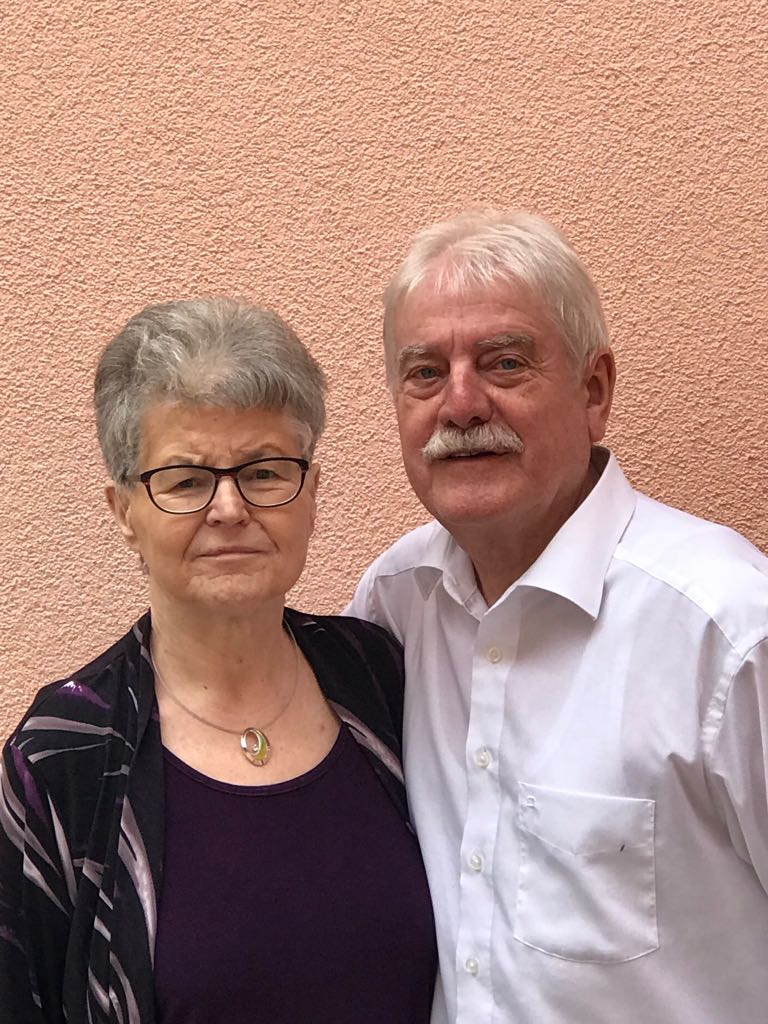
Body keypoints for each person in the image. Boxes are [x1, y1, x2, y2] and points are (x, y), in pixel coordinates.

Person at [346, 210, 768, 1023]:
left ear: (594, 390)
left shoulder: (727, 631)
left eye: (504, 363)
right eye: (425, 373)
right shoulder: (395, 605)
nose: (460, 404)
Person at [0, 297, 437, 1024]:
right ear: (124, 511)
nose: (230, 509)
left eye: (264, 472)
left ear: (312, 494)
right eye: (186, 480)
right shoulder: (64, 755)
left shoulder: (377, 678)